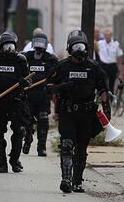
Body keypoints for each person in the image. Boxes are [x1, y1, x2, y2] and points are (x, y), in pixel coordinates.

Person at [46, 30, 109, 193]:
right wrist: (61, 87)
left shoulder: (93, 67)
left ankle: (77, 181)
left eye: (81, 47)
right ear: (69, 48)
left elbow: (103, 89)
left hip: (87, 114)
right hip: (68, 112)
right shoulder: (62, 66)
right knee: (67, 145)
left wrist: (106, 111)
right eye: (75, 47)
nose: (79, 50)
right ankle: (66, 179)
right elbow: (48, 87)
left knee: (81, 148)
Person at [0, 32, 30, 173]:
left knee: (19, 131)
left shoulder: (20, 60)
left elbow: (29, 81)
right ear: (0, 47)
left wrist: (24, 82)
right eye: (6, 46)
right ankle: (1, 164)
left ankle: (14, 160)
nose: (9, 49)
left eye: (11, 46)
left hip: (16, 101)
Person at [22, 33, 58, 156]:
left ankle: (41, 147)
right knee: (27, 120)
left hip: (43, 95)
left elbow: (56, 74)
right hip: (28, 95)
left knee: (43, 119)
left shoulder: (50, 59)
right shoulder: (27, 57)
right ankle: (27, 140)